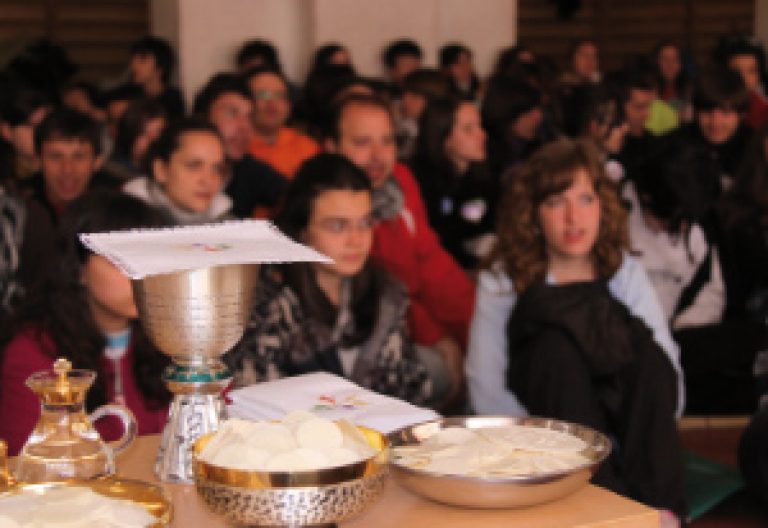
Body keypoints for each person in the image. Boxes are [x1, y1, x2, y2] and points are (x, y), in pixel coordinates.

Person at [466, 138, 685, 520]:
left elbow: (668, 384)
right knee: (554, 350)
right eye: (555, 203)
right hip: (546, 445)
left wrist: (631, 439)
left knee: (647, 354)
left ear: (602, 205)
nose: (573, 218)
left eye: (585, 200)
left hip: (629, 437)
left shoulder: (623, 272)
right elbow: (487, 393)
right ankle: (604, 511)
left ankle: (660, 511)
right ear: (533, 213)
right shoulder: (504, 280)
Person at [225, 153, 438, 405]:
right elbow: (254, 406)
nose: (356, 240)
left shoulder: (385, 294)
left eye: (364, 223)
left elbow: (411, 392)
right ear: (302, 230)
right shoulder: (267, 303)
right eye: (337, 226)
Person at [324, 94, 474, 406]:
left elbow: (431, 261)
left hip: (406, 315)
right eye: (362, 142)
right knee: (438, 369)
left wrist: (475, 324)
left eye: (387, 141)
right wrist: (441, 339)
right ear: (331, 147)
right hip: (360, 338)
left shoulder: (400, 182)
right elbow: (379, 290)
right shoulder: (324, 204)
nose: (378, 156)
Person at [0, 190, 172, 456]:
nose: (141, 276)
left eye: (149, 260)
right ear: (78, 269)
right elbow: (26, 466)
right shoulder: (33, 354)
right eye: (121, 263)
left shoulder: (173, 341)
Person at [411, 98, 496, 268]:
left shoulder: (483, 176)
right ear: (443, 136)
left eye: (480, 126)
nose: (482, 135)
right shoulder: (421, 183)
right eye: (468, 129)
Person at [193, 73, 287, 218]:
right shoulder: (175, 167)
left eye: (250, 117)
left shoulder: (249, 170)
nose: (244, 127)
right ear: (203, 119)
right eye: (232, 113)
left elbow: (298, 201)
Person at [123, 118, 231, 224]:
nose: (208, 180)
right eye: (193, 166)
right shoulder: (124, 225)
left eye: (217, 168)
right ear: (160, 170)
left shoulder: (229, 224)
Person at [244, 66, 319, 179]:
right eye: (262, 95)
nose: (272, 103)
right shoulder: (236, 149)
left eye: (279, 95)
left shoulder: (308, 148)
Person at [102, 99, 166, 184]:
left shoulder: (170, 173)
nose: (154, 139)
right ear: (129, 136)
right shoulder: (112, 174)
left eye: (159, 132)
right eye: (144, 133)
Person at [128, 36, 185, 119]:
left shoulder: (173, 100)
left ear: (160, 67)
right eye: (133, 60)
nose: (134, 66)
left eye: (142, 60)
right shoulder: (127, 93)